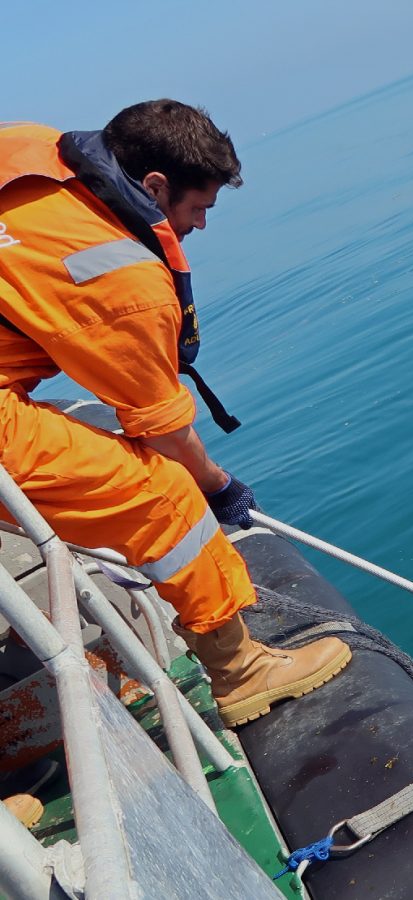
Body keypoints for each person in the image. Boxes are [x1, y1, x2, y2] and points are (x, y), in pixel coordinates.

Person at [0, 100, 351, 727]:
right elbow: (160, 431)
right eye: (199, 209)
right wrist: (218, 485)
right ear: (155, 187)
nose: (203, 226)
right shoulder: (119, 278)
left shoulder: (27, 149)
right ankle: (242, 672)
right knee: (163, 493)